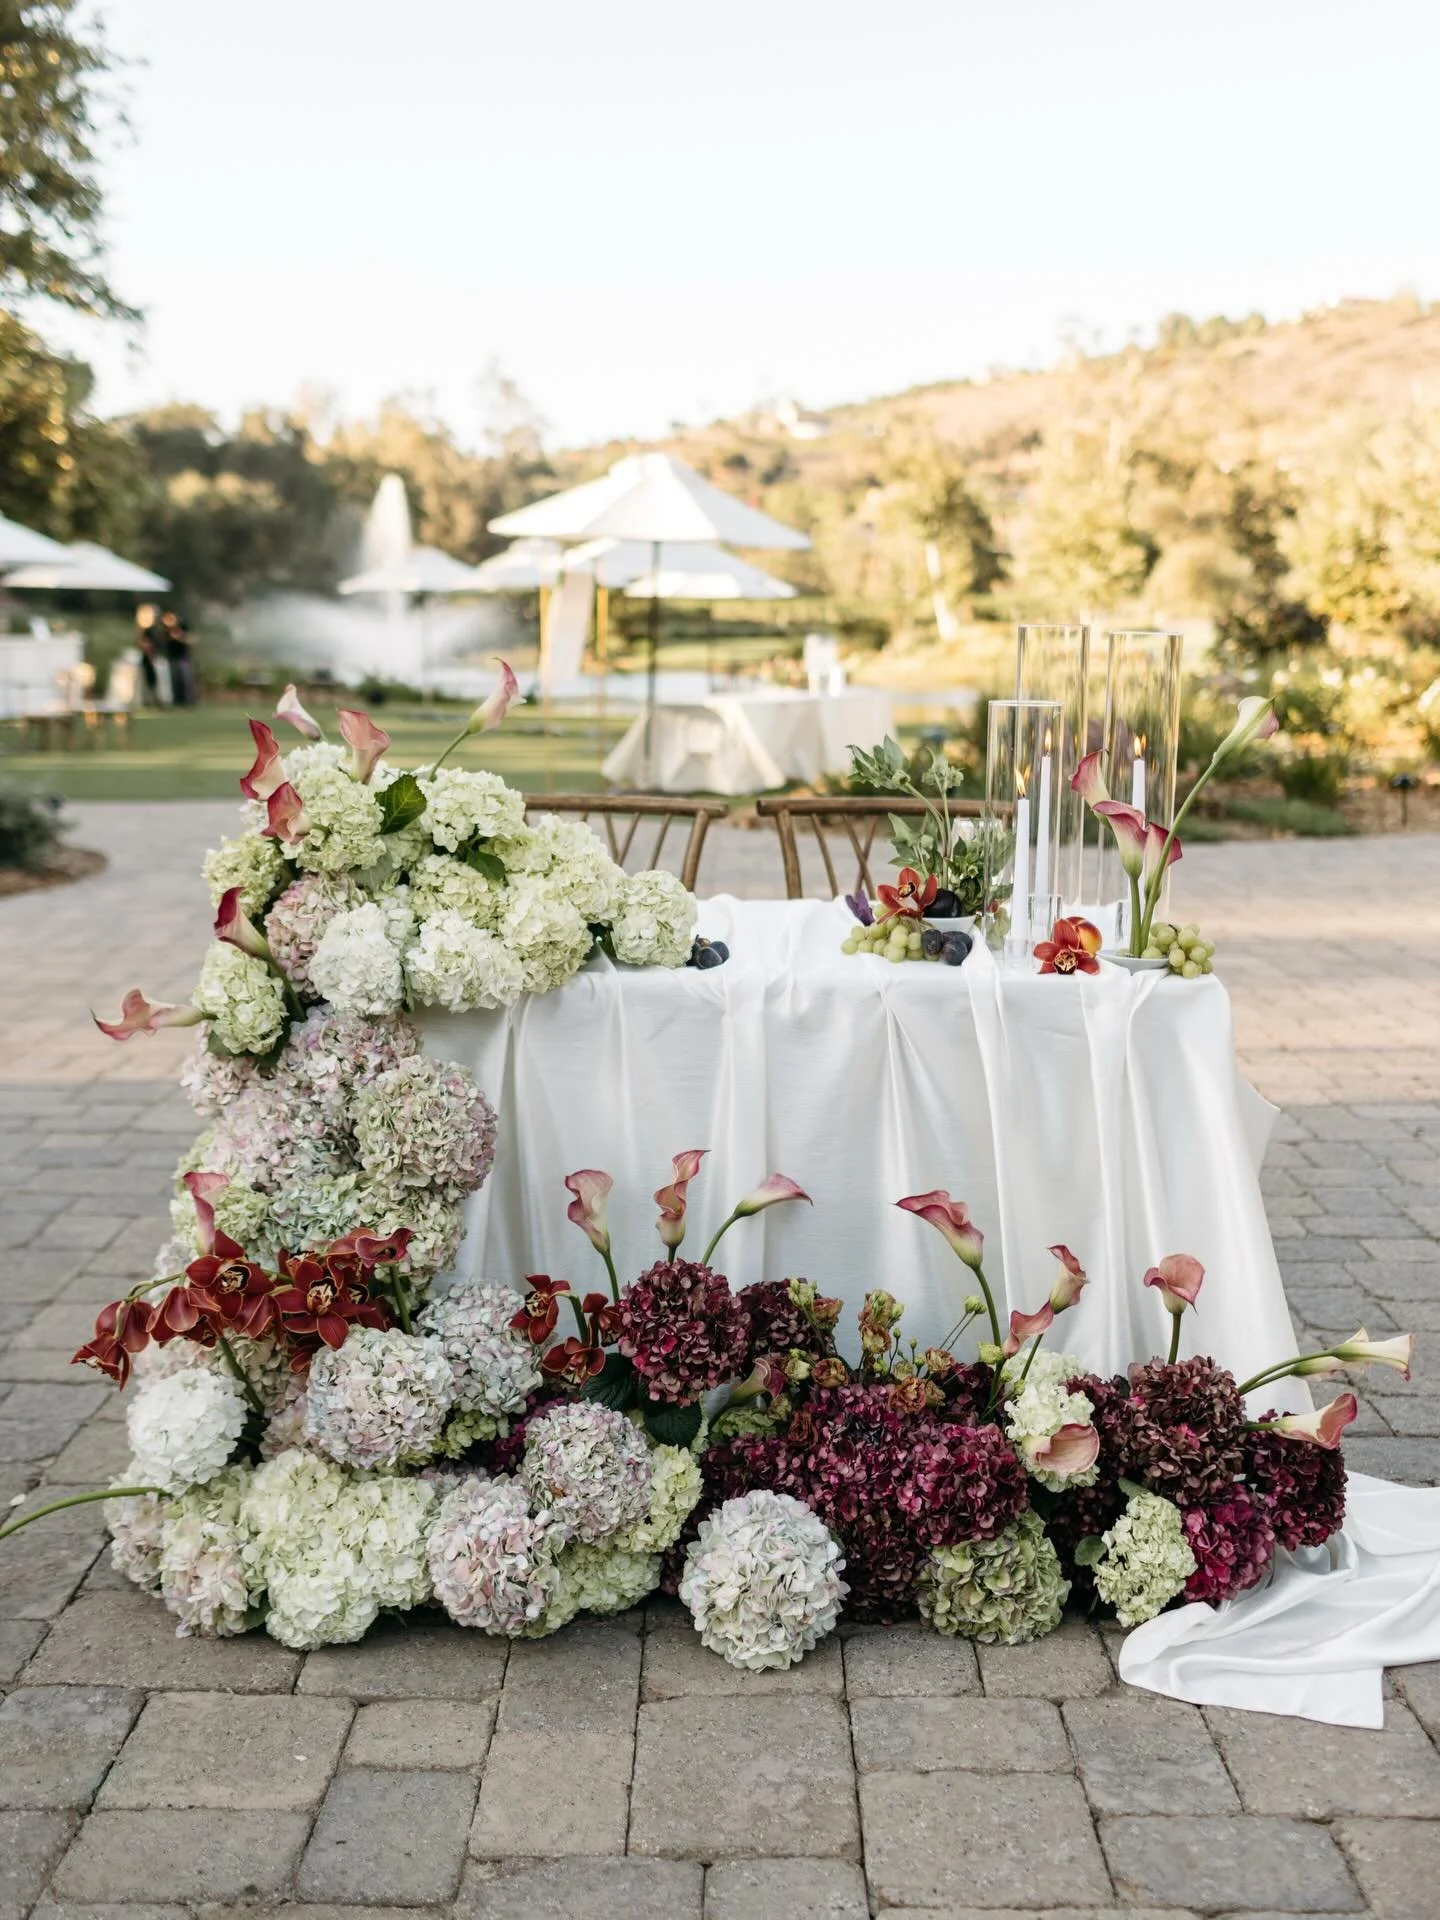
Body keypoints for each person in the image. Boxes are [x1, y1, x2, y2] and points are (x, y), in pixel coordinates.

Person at [161, 610, 196, 706]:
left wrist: (179, 637)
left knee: (186, 678)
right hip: (171, 657)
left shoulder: (183, 626)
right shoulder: (165, 630)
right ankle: (177, 700)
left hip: (183, 657)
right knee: (174, 679)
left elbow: (191, 640)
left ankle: (188, 700)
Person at [135, 604, 162, 705]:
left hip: (151, 656)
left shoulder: (151, 629)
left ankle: (153, 699)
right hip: (149, 657)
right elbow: (146, 644)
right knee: (150, 678)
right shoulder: (148, 630)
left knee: (152, 679)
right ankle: (152, 699)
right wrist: (151, 656)